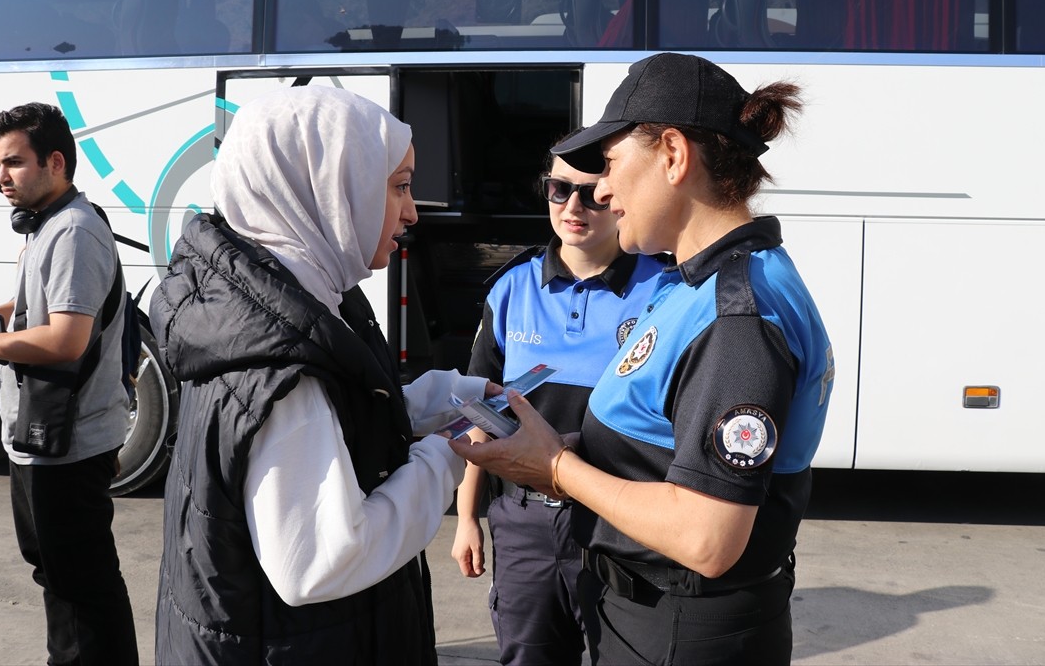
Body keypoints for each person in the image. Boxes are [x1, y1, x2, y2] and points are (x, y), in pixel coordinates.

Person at [450, 52, 835, 665]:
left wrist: (554, 467)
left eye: (610, 166)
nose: (600, 190)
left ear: (674, 156)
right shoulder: (696, 284)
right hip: (652, 618)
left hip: (680, 629)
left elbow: (707, 538)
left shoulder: (736, 315)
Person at [150, 85, 499, 665]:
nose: (413, 212)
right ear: (329, 185)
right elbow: (320, 561)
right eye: (400, 186)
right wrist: (446, 456)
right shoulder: (282, 362)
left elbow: (350, 412)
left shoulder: (292, 302)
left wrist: (451, 397)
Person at [452, 144, 666, 665]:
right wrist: (466, 519)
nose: (572, 207)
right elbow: (480, 421)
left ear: (617, 198)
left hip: (619, 523)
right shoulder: (510, 289)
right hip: (522, 524)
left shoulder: (663, 289)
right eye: (558, 188)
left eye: (591, 193)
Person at [0, 102, 138, 666]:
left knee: (78, 585)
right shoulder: (51, 224)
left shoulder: (73, 231)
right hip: (43, 438)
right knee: (62, 574)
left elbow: (65, 340)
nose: (0, 177)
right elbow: (42, 305)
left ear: (56, 162)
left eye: (14, 163)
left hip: (68, 444)